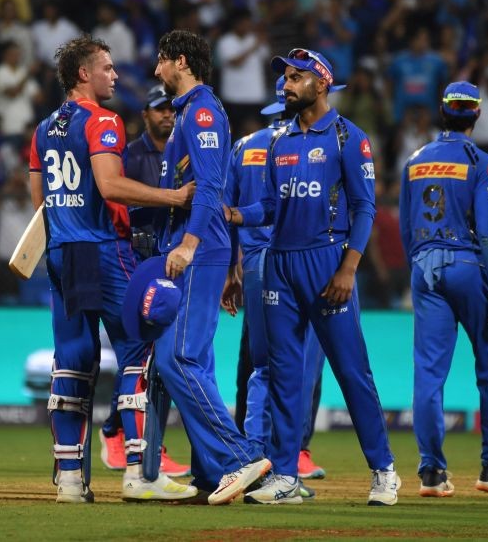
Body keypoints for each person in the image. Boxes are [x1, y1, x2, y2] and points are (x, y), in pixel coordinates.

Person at [226, 48, 398, 505]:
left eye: (296, 77)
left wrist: (349, 267)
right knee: (284, 373)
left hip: (327, 265)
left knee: (351, 371)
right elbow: (268, 207)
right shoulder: (279, 141)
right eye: (285, 77)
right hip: (280, 264)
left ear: (322, 84)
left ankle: (383, 470)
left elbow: (365, 208)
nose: (286, 84)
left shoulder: (348, 137)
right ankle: (284, 475)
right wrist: (236, 214)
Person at [30, 35, 196, 504]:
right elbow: (109, 186)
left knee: (73, 362)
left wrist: (64, 226)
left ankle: (68, 480)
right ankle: (140, 474)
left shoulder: (43, 129)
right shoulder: (103, 120)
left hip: (61, 250)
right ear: (84, 74)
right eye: (107, 67)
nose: (115, 75)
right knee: (140, 352)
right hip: (103, 249)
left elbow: (38, 200)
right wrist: (174, 197)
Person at [150, 29, 271, 505]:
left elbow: (209, 186)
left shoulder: (200, 111)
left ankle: (240, 458)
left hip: (196, 246)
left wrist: (190, 245)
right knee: (194, 359)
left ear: (181, 61)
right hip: (193, 245)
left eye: (162, 60)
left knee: (175, 356)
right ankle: (209, 470)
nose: (157, 69)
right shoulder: (188, 113)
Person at [398, 81, 488, 498]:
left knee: (428, 374)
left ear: (443, 111)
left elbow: (404, 226)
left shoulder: (414, 161)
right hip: (468, 267)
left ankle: (431, 474)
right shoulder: (482, 161)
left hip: (424, 269)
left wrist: (419, 266)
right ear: (476, 114)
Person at [221, 76, 327, 496]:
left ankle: (255, 454)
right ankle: (285, 459)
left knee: (256, 364)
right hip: (294, 260)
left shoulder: (243, 146)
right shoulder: (300, 147)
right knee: (295, 367)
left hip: (251, 265)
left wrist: (232, 269)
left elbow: (226, 211)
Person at [98, 84, 189, 478]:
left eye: (171, 109)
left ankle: (120, 431)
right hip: (135, 260)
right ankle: (133, 439)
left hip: (166, 259)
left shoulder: (179, 152)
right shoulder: (131, 155)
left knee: (151, 357)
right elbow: (116, 199)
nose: (167, 115)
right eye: (158, 109)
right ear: (145, 116)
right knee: (142, 355)